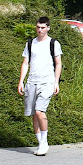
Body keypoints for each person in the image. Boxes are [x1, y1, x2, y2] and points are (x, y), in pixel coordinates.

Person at [17, 16, 62, 156]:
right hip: (31, 82)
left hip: (47, 82)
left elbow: (58, 63)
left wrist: (56, 82)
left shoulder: (53, 43)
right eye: (38, 27)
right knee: (33, 115)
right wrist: (21, 82)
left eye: (43, 28)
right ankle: (41, 143)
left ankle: (44, 142)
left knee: (39, 111)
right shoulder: (30, 43)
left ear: (48, 28)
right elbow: (25, 63)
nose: (40, 30)